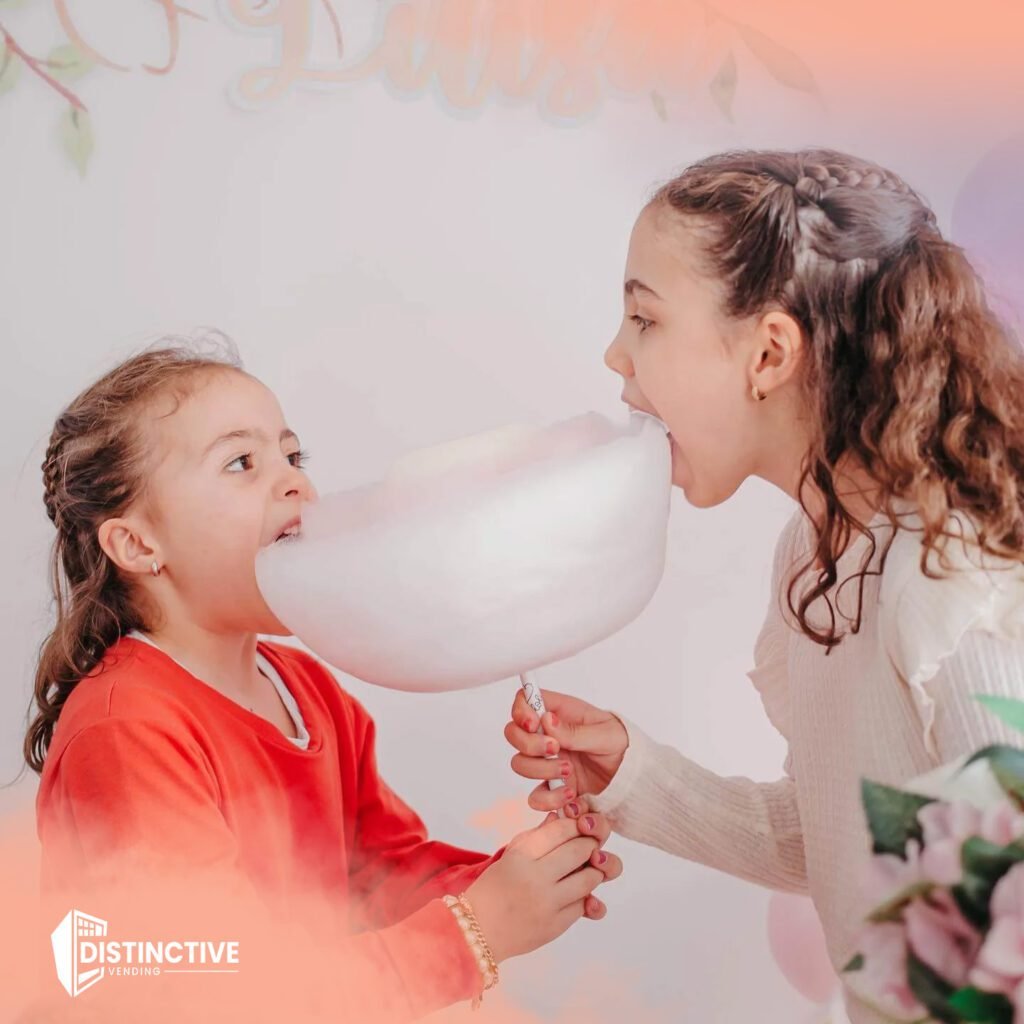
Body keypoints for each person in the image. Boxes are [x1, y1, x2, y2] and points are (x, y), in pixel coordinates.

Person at [505, 148, 1024, 1024]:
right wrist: (636, 775)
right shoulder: (814, 554)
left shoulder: (947, 575)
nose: (615, 355)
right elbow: (843, 836)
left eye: (645, 319)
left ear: (769, 353)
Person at [27, 337, 622, 1022]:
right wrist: (473, 930)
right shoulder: (127, 731)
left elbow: (378, 874)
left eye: (292, 454)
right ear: (137, 545)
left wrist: (516, 881)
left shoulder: (304, 687)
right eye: (242, 462)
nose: (294, 483)